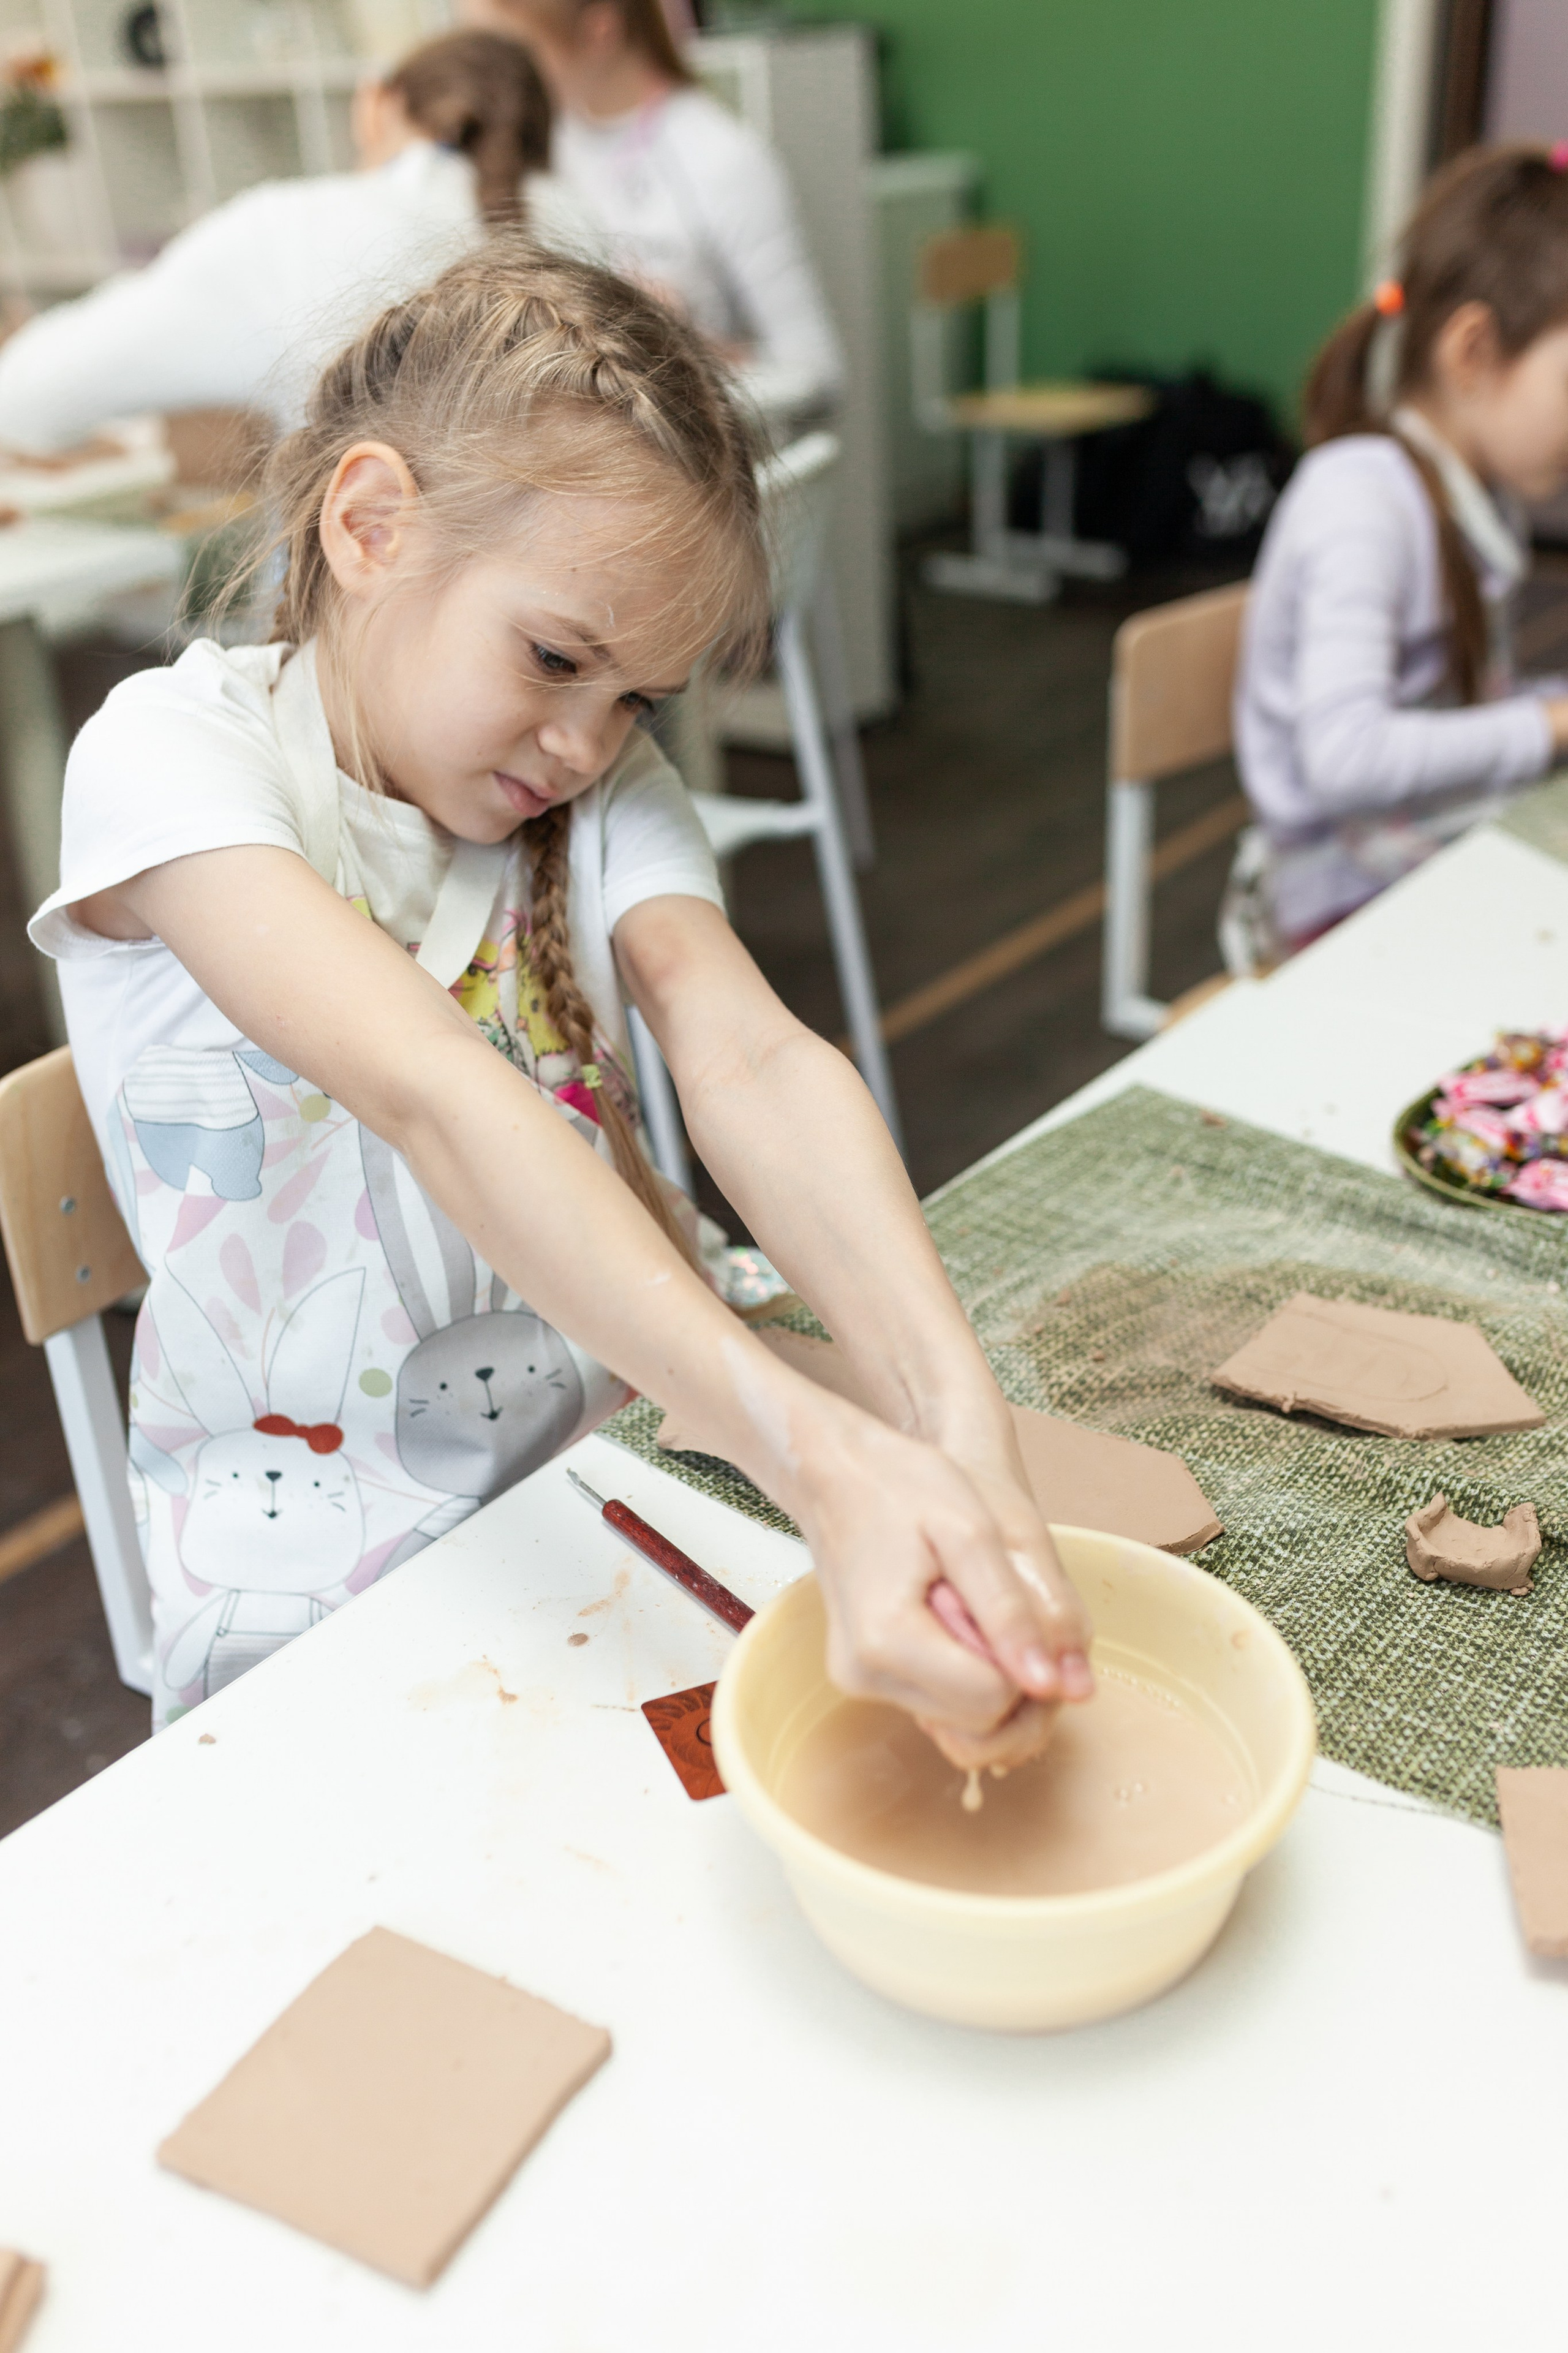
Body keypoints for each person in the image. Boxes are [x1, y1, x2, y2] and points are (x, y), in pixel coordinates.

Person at [28, 243, 1090, 1757]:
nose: (588, 745)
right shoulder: (171, 759)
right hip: (327, 1556)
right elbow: (433, 1089)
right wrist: (823, 1461)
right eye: (552, 660)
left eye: (634, 698)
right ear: (371, 525)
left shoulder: (588, 782)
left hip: (627, 1448)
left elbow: (749, 1056)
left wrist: (953, 1420)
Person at [1227, 144, 1568, 967]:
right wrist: (1549, 724)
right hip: (1336, 910)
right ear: (1472, 350)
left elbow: (1456, 712)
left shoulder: (1474, 495)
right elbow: (1346, 759)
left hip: (1422, 865)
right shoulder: (1360, 501)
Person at [0, 30, 595, 453]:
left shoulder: (292, 228)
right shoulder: (584, 227)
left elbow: (27, 397)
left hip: (351, 594)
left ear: (375, 103)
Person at [462, 0, 841, 432]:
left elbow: (819, 376)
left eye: (514, 53)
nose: (493, 81)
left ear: (601, 28)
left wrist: (686, 348)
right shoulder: (541, 150)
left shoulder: (722, 158)